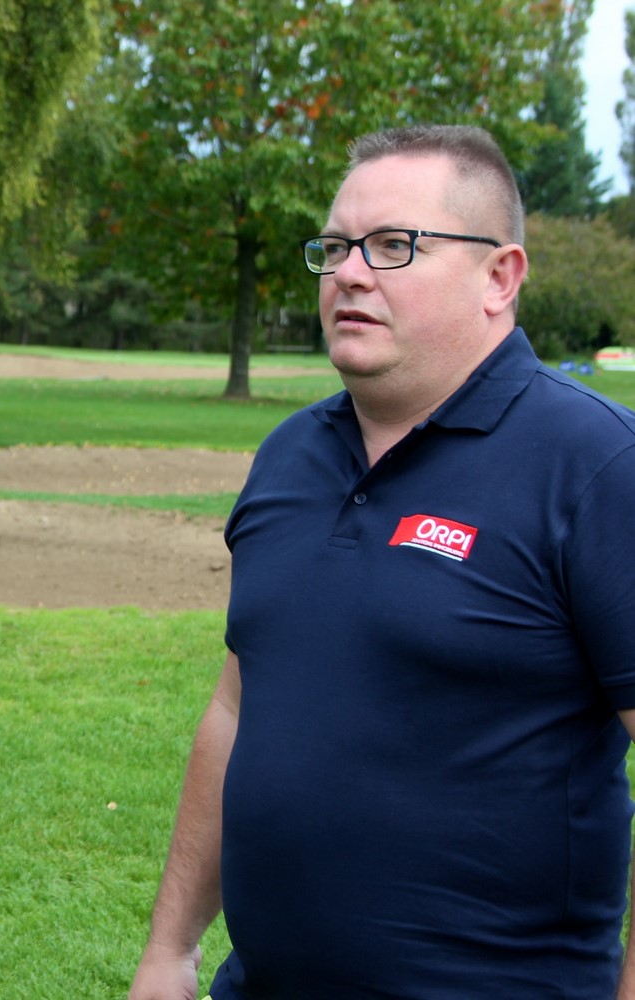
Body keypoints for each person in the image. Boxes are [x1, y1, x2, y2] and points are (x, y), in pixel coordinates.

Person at [129, 124, 635, 1000]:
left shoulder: (595, 466)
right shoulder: (288, 457)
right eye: (334, 248)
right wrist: (170, 949)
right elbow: (237, 706)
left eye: (394, 245)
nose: (350, 274)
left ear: (500, 277)